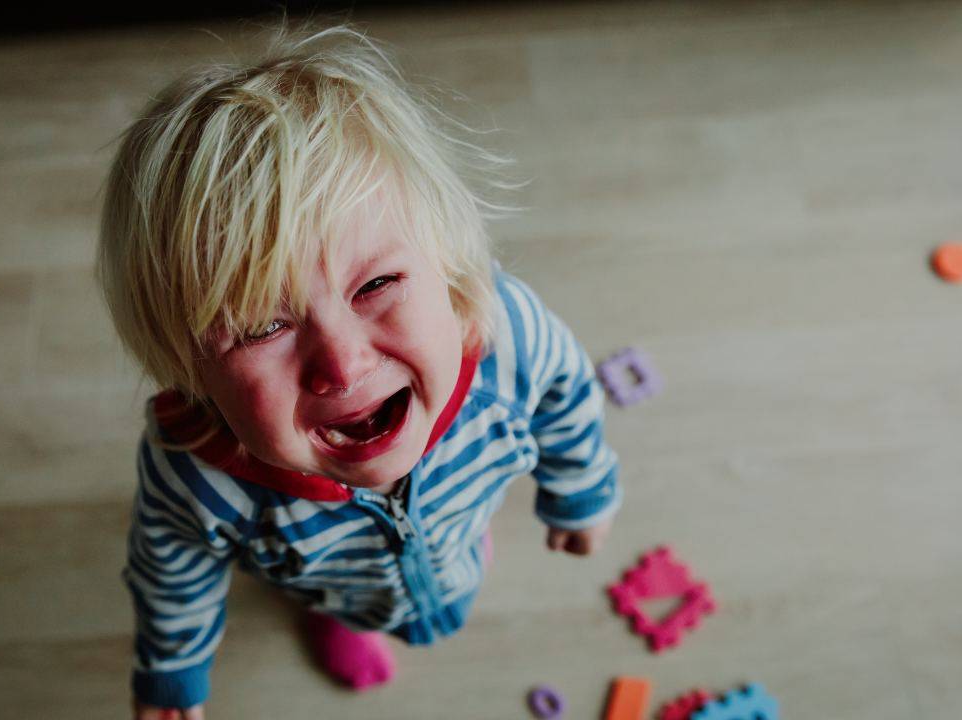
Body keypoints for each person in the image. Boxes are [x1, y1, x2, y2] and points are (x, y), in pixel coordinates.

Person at [96, 24, 622, 719]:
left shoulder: (509, 340)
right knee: (344, 595)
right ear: (187, 365)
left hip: (458, 519)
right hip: (331, 581)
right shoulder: (194, 473)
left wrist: (581, 488)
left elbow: (568, 396)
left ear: (448, 265)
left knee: (451, 544)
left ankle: (446, 542)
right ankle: (344, 616)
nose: (342, 365)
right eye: (263, 327)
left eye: (375, 286)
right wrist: (171, 670)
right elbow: (171, 569)